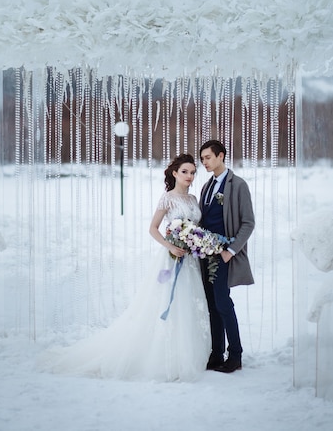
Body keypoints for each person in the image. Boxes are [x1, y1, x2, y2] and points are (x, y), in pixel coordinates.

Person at [37, 153, 211, 382]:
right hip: (171, 258)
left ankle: (186, 354)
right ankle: (164, 357)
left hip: (190, 262)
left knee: (187, 302)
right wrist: (172, 245)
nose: (189, 176)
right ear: (175, 173)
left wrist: (194, 241)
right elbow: (153, 228)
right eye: (185, 172)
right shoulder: (167, 198)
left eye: (192, 172)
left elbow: (195, 228)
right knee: (167, 302)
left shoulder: (193, 199)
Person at [199, 139, 255, 373]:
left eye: (208, 157)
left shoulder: (238, 184)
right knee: (212, 305)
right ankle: (216, 354)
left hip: (224, 255)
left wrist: (229, 252)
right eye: (202, 159)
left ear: (221, 155)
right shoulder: (206, 186)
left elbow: (248, 223)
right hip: (204, 254)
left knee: (223, 303)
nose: (204, 163)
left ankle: (235, 355)